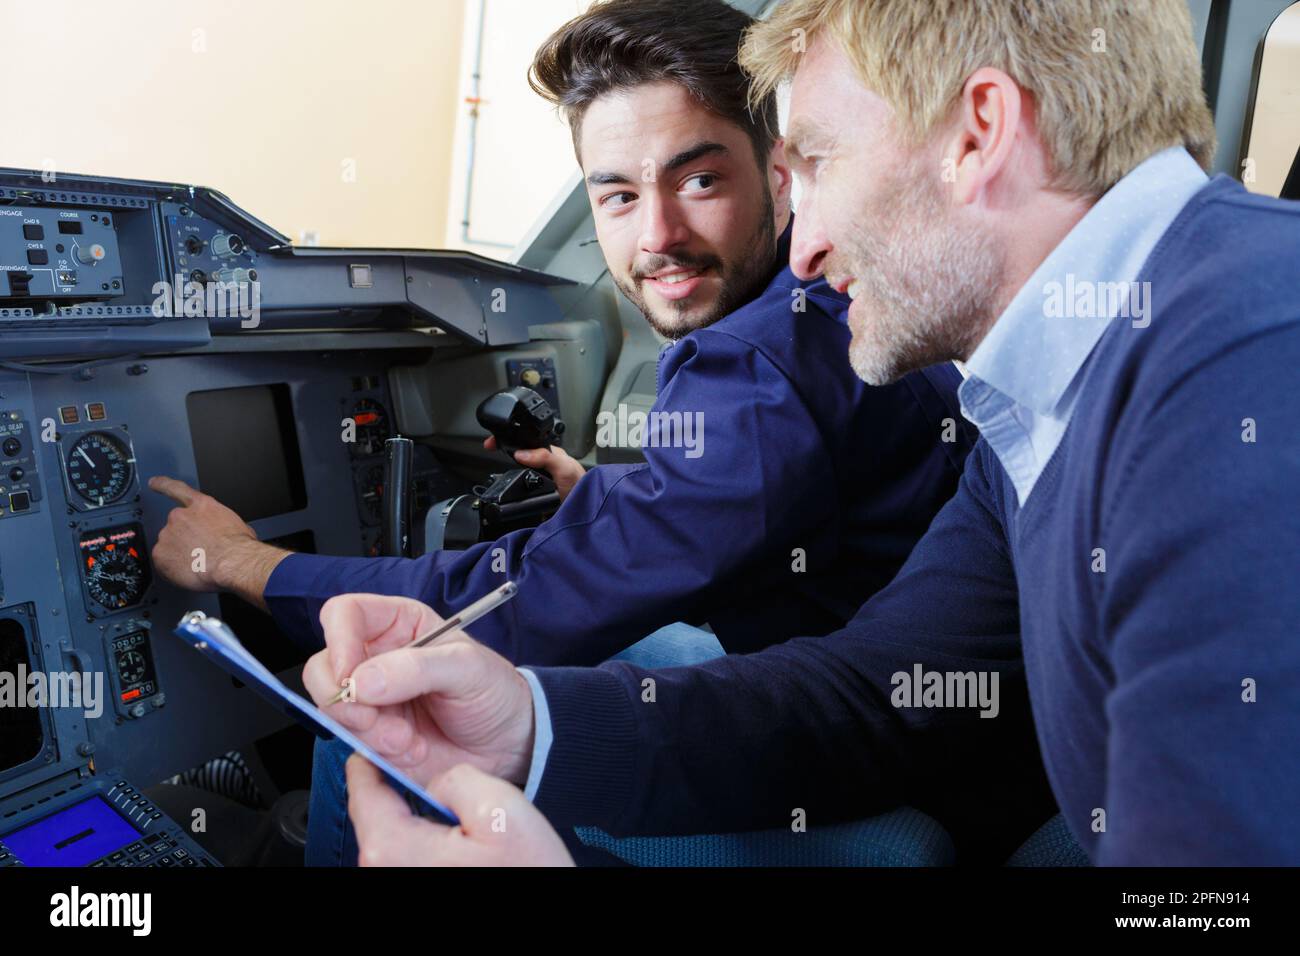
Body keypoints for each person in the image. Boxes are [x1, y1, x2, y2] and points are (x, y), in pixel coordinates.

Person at [305, 0, 1300, 866]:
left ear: (979, 132)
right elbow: (875, 695)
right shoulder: (1039, 402)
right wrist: (528, 729)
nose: (806, 242)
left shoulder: (1246, 362)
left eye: (815, 163)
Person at [149, 0, 984, 865]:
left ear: (778, 176)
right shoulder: (827, 309)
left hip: (886, 763)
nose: (657, 234)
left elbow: (507, 604)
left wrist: (245, 563)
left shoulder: (751, 359)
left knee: (376, 711)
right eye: (618, 194)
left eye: (700, 180)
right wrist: (619, 504)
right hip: (923, 716)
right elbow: (773, 497)